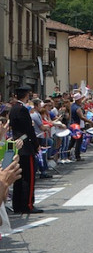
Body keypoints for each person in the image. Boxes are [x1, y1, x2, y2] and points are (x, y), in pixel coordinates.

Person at [9, 86, 43, 214]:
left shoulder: (13, 109)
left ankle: (17, 205)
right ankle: (28, 204)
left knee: (18, 178)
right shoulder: (22, 109)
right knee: (28, 178)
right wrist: (36, 145)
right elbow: (29, 130)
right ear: (26, 95)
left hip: (17, 146)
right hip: (25, 146)